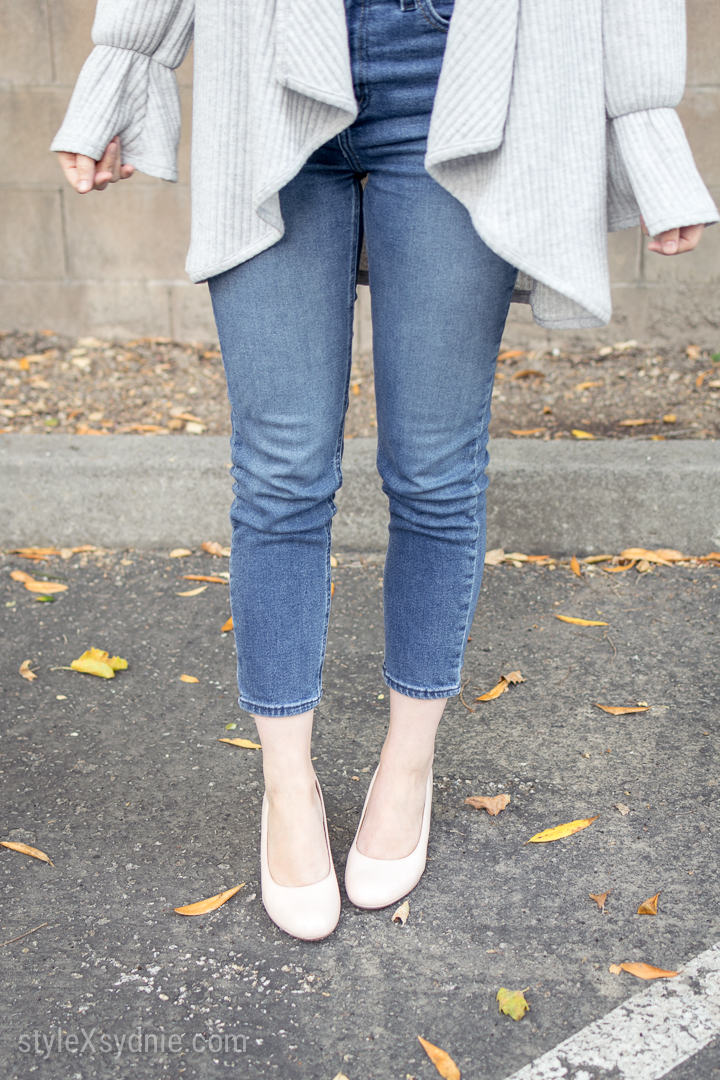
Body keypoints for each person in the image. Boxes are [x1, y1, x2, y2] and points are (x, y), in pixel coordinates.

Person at [53, 0, 717, 941]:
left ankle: (409, 763)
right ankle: (289, 784)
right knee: (280, 471)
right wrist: (124, 63)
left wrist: (646, 131)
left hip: (462, 68)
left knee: (436, 468)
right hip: (271, 51)